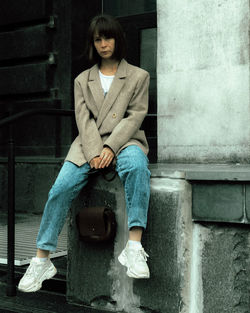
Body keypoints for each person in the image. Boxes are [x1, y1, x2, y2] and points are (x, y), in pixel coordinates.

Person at [18, 14, 151, 293]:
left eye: (109, 37)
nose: (104, 44)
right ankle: (42, 259)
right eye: (98, 39)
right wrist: (94, 151)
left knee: (137, 167)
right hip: (87, 144)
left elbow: (134, 117)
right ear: (93, 43)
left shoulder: (138, 76)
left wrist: (109, 147)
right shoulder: (82, 80)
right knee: (60, 187)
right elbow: (84, 119)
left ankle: (134, 245)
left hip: (124, 141)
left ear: (118, 39)